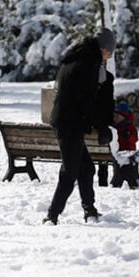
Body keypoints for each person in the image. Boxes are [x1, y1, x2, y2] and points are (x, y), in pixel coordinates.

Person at [43, 27, 115, 225]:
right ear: (103, 48)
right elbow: (86, 100)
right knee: (70, 171)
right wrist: (102, 127)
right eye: (110, 51)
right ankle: (52, 215)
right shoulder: (88, 63)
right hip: (70, 122)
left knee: (86, 168)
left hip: (66, 119)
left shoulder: (77, 58)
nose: (109, 55)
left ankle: (89, 210)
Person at [110, 102, 139, 189]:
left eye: (118, 116)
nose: (116, 118)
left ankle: (132, 185)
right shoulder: (114, 126)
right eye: (115, 115)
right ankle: (118, 185)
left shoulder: (129, 127)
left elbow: (135, 139)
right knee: (121, 171)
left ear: (124, 117)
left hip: (129, 154)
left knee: (129, 171)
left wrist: (128, 136)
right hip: (118, 155)